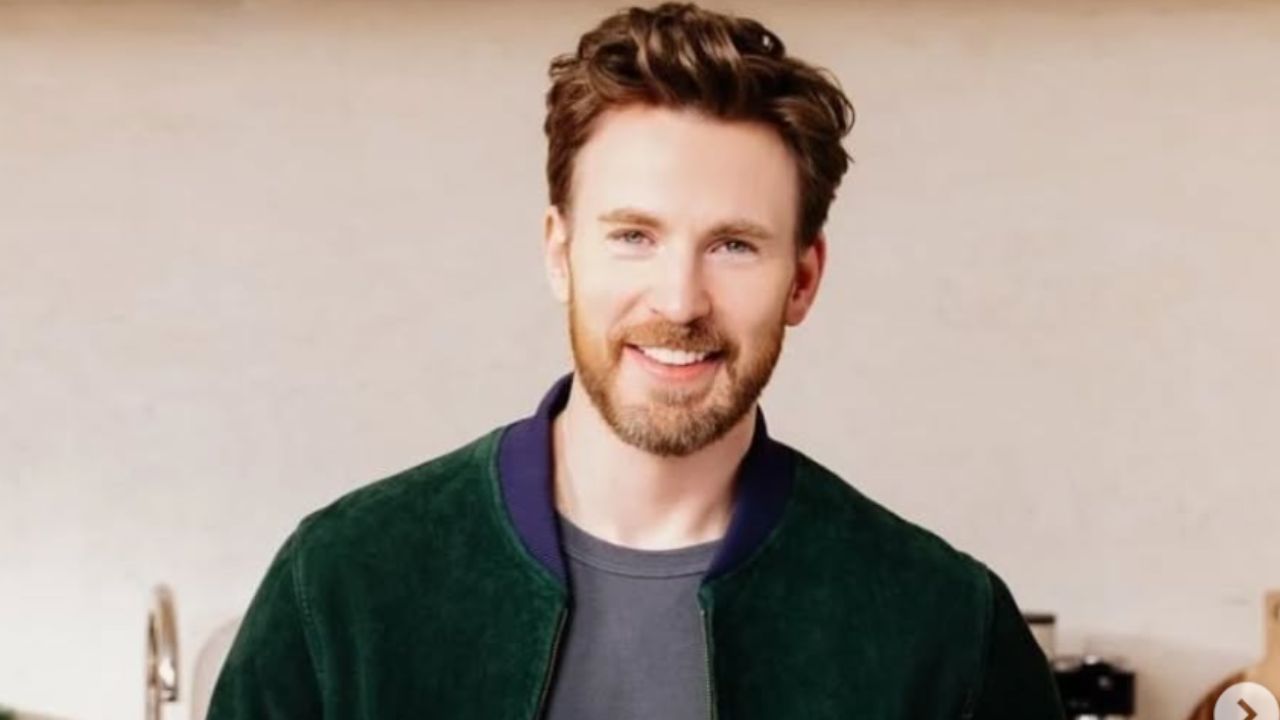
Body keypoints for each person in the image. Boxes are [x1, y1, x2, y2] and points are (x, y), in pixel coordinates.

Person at [207, 3, 1066, 718]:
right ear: (560, 253)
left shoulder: (944, 627)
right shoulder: (343, 585)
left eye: (734, 245)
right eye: (633, 236)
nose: (679, 301)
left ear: (803, 280)